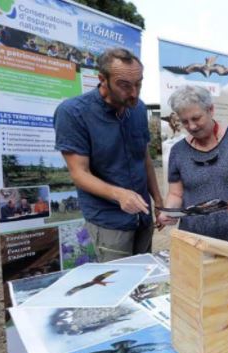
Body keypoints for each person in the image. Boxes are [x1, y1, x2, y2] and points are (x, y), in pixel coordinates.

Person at [54, 47, 163, 262]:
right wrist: (119, 194)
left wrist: (158, 200)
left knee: (141, 280)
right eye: (124, 85)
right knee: (117, 283)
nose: (134, 93)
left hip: (142, 217)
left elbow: (144, 158)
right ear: (102, 79)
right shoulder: (73, 113)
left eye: (138, 84)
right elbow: (79, 173)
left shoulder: (139, 109)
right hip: (109, 221)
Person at [157, 85, 228, 262]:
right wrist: (171, 212)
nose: (192, 126)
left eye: (196, 118)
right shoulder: (178, 151)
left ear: (211, 110)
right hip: (197, 238)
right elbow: (175, 193)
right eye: (185, 121)